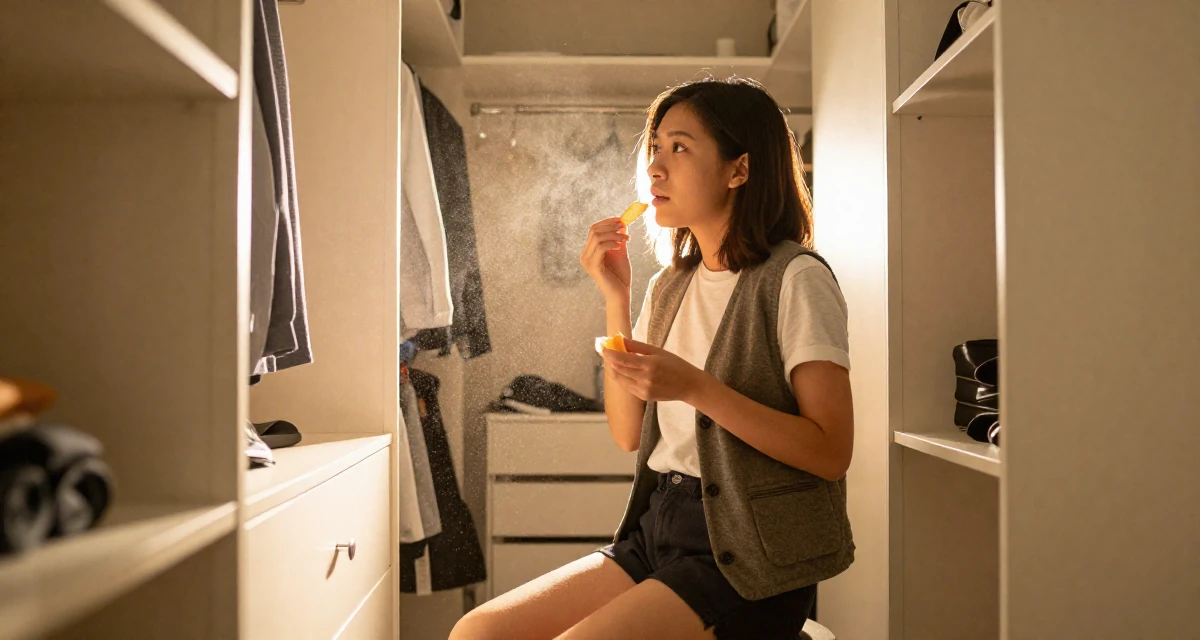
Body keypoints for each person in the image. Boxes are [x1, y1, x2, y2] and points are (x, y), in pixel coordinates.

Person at [450, 77, 855, 640]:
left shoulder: (796, 278)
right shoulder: (672, 285)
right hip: (657, 529)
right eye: (655, 148)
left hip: (746, 553)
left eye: (680, 147)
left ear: (740, 170)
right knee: (478, 634)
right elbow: (626, 432)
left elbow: (831, 452)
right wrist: (615, 296)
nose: (655, 168)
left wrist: (696, 388)